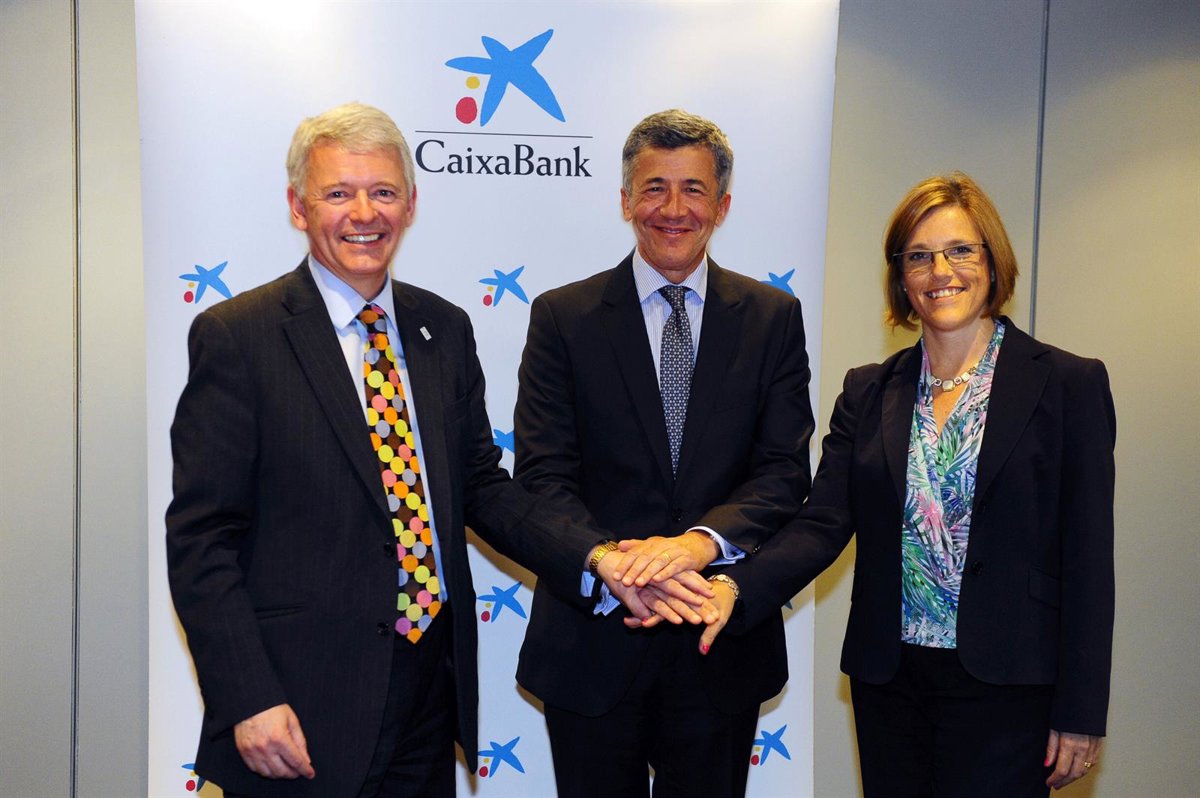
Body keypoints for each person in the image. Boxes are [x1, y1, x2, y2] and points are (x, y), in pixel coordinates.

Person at [164, 102, 704, 798]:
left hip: (427, 695)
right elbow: (202, 539)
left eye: (384, 192)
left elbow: (484, 488)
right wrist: (248, 696)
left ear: (411, 205)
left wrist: (599, 559)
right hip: (298, 702)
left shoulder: (441, 329)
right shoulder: (239, 336)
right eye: (339, 193)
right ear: (299, 207)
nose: (365, 213)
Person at [695, 172, 1116, 796]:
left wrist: (1081, 711)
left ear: (992, 260)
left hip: (1011, 687)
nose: (940, 271)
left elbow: (1088, 560)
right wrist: (734, 585)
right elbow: (822, 522)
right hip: (890, 683)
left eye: (959, 250)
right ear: (901, 277)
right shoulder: (868, 389)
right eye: (918, 256)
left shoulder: (1067, 384)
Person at [512, 109, 815, 798]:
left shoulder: (772, 318)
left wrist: (696, 547)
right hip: (592, 643)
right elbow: (542, 477)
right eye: (654, 188)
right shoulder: (562, 317)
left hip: (719, 640)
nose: (673, 209)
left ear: (723, 205)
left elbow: (782, 473)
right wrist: (616, 565)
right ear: (625, 200)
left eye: (693, 189)